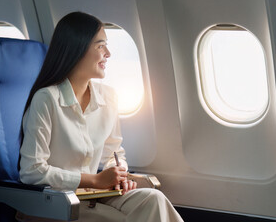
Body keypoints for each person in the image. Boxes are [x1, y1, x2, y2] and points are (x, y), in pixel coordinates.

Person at [17, 11, 183, 222]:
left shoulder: (108, 97)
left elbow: (113, 153)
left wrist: (119, 174)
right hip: (56, 202)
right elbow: (32, 171)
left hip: (95, 194)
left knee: (153, 199)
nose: (108, 53)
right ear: (77, 49)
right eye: (100, 45)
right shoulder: (46, 99)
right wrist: (94, 180)